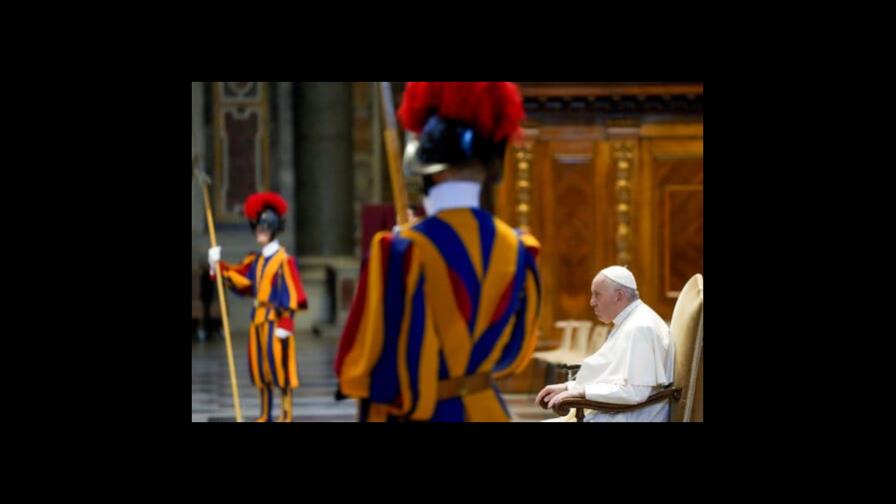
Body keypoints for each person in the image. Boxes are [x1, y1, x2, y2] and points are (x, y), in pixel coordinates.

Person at [335, 82, 541, 421]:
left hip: (424, 412)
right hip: (488, 409)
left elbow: (370, 367)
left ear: (427, 170)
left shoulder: (400, 250)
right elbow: (515, 354)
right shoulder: (520, 249)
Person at [208, 192, 308, 422]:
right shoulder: (256, 260)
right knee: (260, 370)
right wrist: (218, 266)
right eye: (257, 228)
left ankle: (286, 414)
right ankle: (265, 414)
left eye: (263, 228)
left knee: (280, 370)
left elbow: (291, 293)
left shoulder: (284, 260)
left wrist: (286, 322)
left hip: (276, 320)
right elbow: (243, 280)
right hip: (258, 320)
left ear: (272, 229)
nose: (258, 233)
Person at [536, 266, 675, 422]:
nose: (592, 302)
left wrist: (581, 392)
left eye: (597, 295)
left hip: (634, 415)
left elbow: (635, 392)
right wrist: (569, 387)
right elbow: (613, 377)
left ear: (619, 296)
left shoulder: (640, 327)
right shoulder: (630, 321)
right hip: (619, 412)